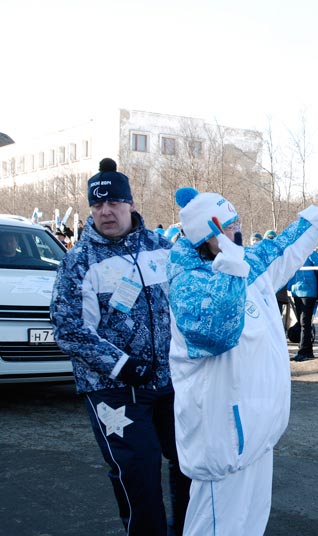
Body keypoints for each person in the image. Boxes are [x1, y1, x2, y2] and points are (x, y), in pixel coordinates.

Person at [167, 185, 318, 534]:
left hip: (257, 433)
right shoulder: (188, 283)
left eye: (237, 221)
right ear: (210, 232)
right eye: (230, 224)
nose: (238, 230)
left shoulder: (246, 265)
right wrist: (230, 262)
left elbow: (285, 248)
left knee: (249, 526)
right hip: (224, 441)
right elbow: (217, 332)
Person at [50, 158, 190, 535]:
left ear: (130, 203)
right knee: (138, 471)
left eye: (113, 202)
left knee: (190, 462)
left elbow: (188, 302)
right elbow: (69, 329)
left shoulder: (162, 248)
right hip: (114, 391)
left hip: (170, 383)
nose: (105, 212)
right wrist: (121, 364)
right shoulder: (79, 262)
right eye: (97, 205)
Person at [288, 250, 318, 361]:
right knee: (301, 322)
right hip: (296, 291)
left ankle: (305, 351)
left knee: (305, 322)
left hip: (308, 291)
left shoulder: (310, 253)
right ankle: (304, 349)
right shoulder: (294, 253)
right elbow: (290, 272)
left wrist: (312, 254)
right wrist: (289, 287)